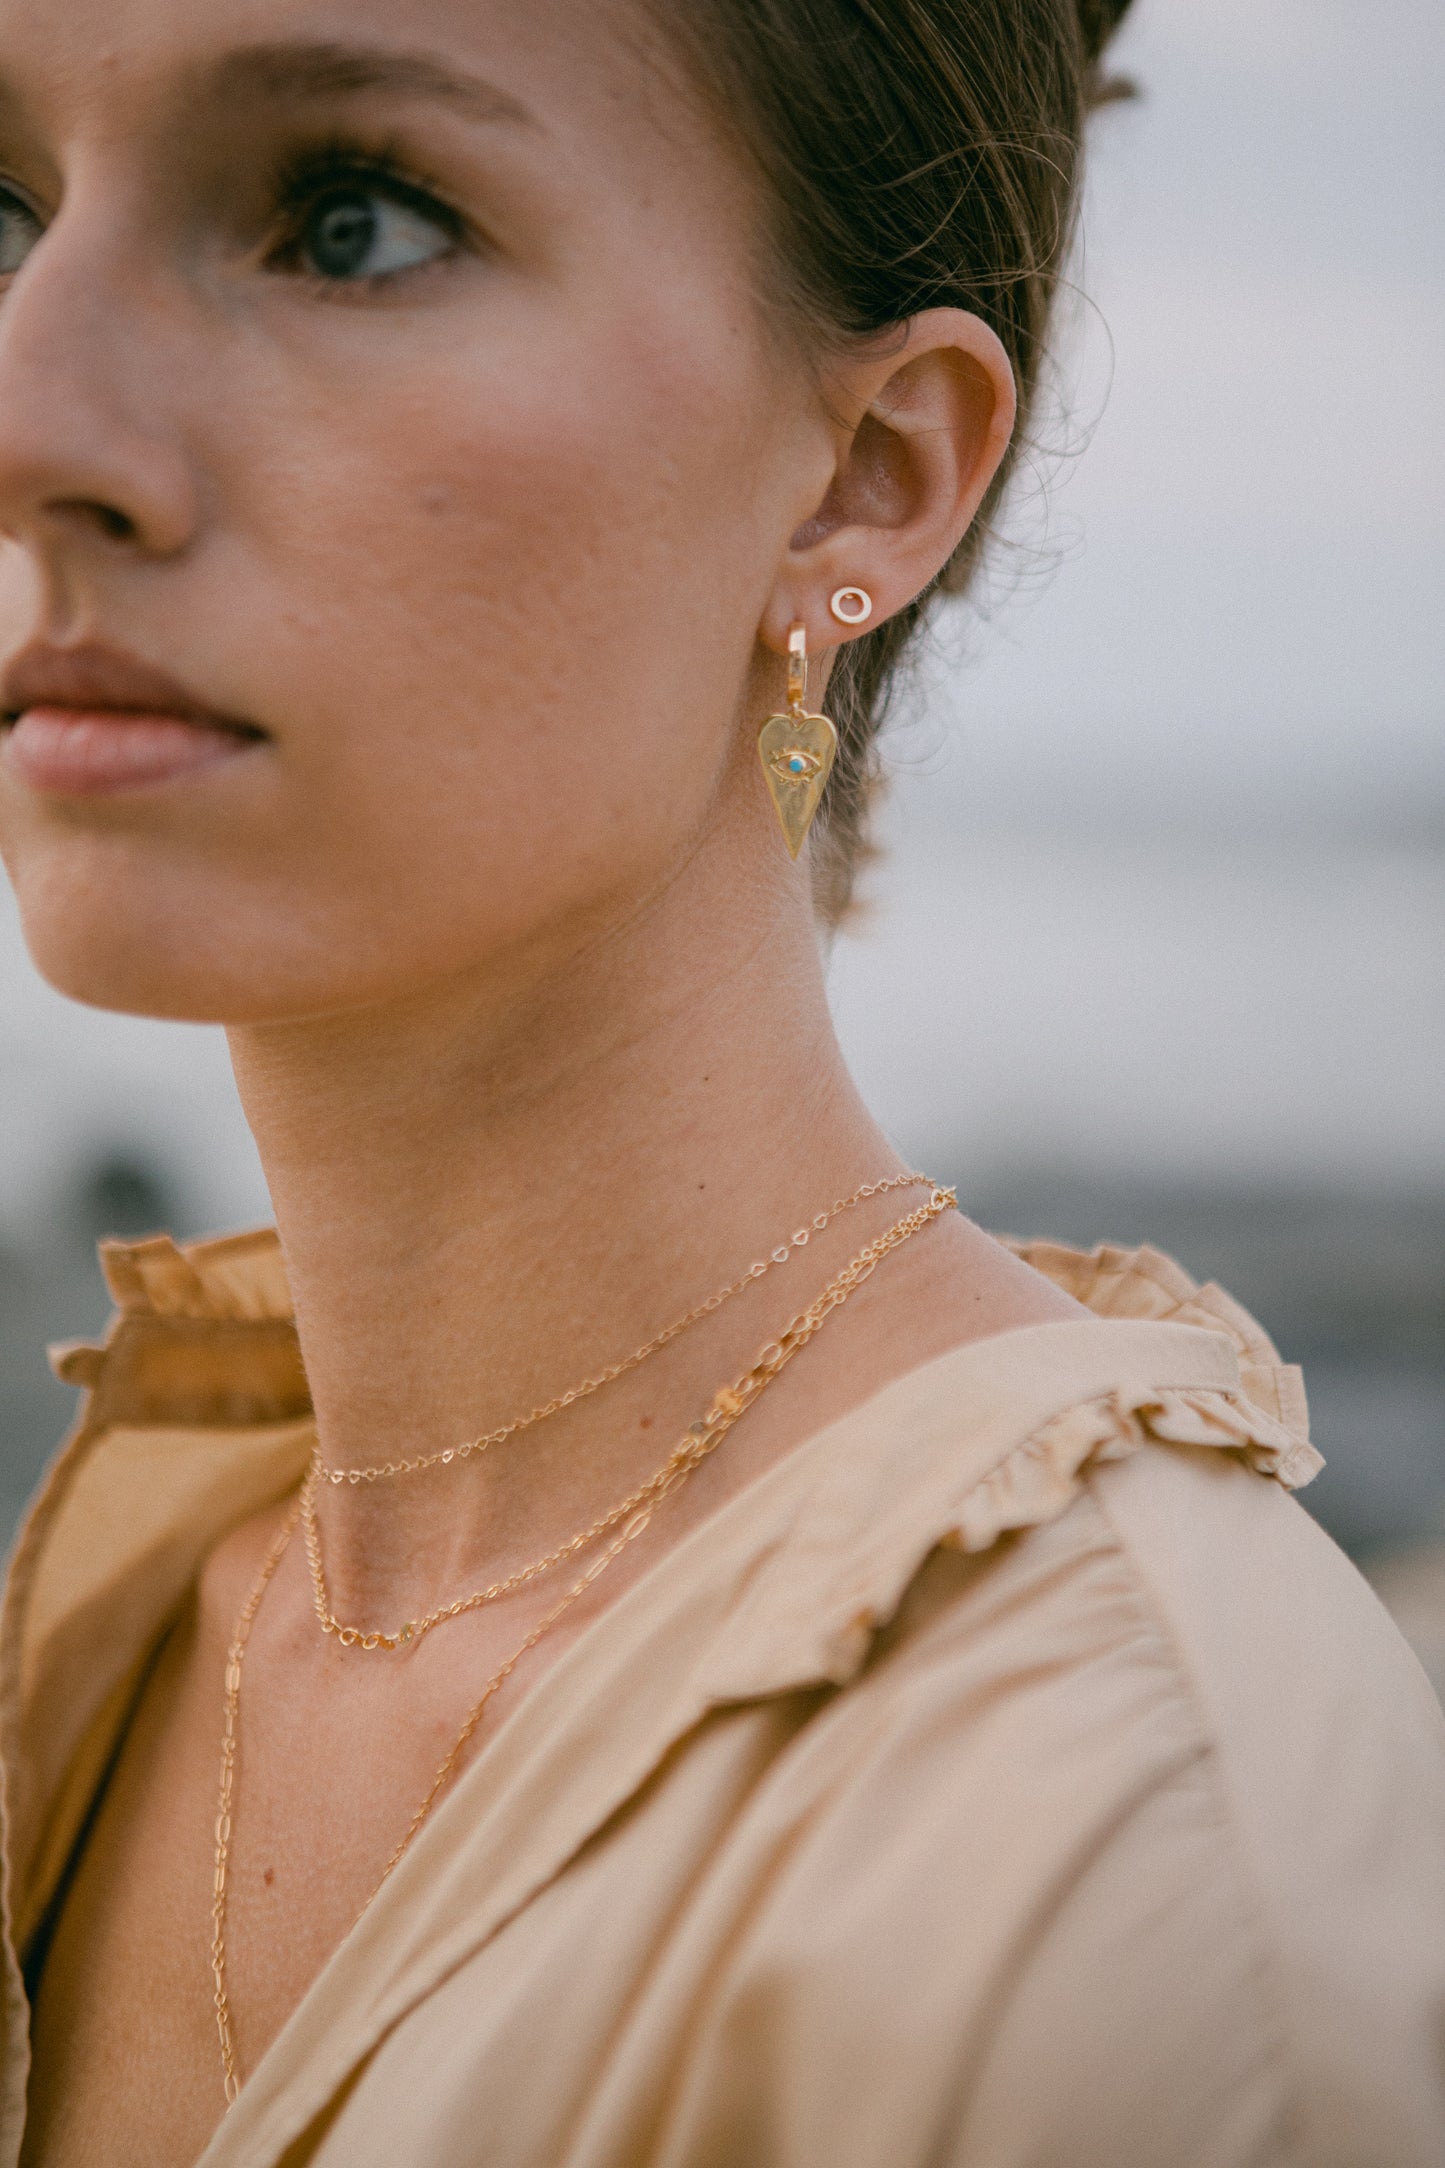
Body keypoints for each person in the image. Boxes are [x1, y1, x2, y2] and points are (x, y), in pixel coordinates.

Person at [0, 0, 1440, 2162]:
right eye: (4, 214)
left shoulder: (1103, 1859)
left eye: (351, 220)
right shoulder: (131, 1601)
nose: (33, 415)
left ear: (868, 473)